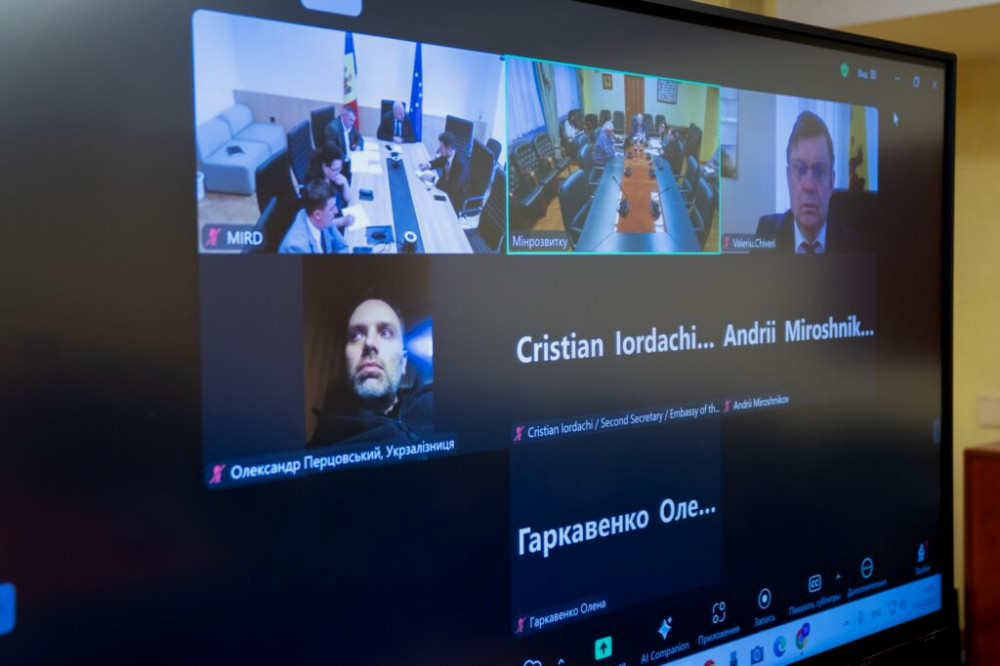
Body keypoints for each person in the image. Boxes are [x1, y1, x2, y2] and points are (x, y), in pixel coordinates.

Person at [309, 298, 433, 446]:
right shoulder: (319, 450)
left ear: (403, 362)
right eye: (356, 335)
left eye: (386, 333)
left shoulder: (438, 407)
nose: (369, 343)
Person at [756, 111, 858, 254]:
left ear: (831, 182)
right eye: (800, 169)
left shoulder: (855, 246)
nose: (809, 186)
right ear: (788, 177)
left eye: (820, 171)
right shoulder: (765, 233)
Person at [278, 179, 352, 254]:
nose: (336, 211)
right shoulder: (296, 247)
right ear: (317, 215)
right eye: (331, 208)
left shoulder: (324, 219)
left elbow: (342, 247)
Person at [419, 131, 469, 213]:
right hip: (445, 187)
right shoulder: (449, 155)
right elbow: (440, 161)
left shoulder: (461, 165)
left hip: (455, 198)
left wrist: (433, 179)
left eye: (441, 147)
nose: (439, 149)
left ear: (449, 149)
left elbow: (453, 188)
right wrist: (428, 165)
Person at [324, 106, 364, 183]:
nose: (353, 123)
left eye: (353, 121)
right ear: (344, 117)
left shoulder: (350, 125)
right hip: (341, 164)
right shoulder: (333, 129)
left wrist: (358, 147)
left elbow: (360, 138)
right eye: (351, 120)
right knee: (357, 181)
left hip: (351, 159)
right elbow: (330, 151)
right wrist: (347, 157)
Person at [305, 144, 352, 209]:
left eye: (340, 168)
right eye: (335, 169)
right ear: (324, 166)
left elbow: (348, 198)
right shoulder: (317, 187)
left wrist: (344, 182)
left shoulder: (331, 176)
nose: (338, 172)